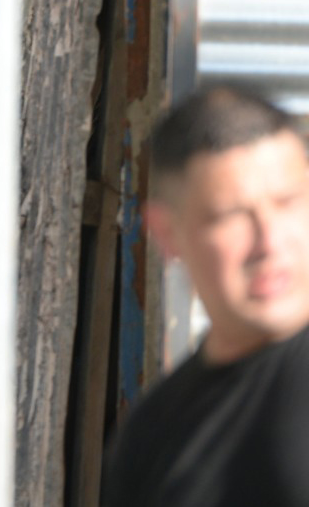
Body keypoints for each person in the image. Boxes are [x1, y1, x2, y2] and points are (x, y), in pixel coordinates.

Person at [101, 85, 309, 507]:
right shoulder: (153, 437)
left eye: (288, 202)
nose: (269, 242)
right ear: (166, 233)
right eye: (230, 216)